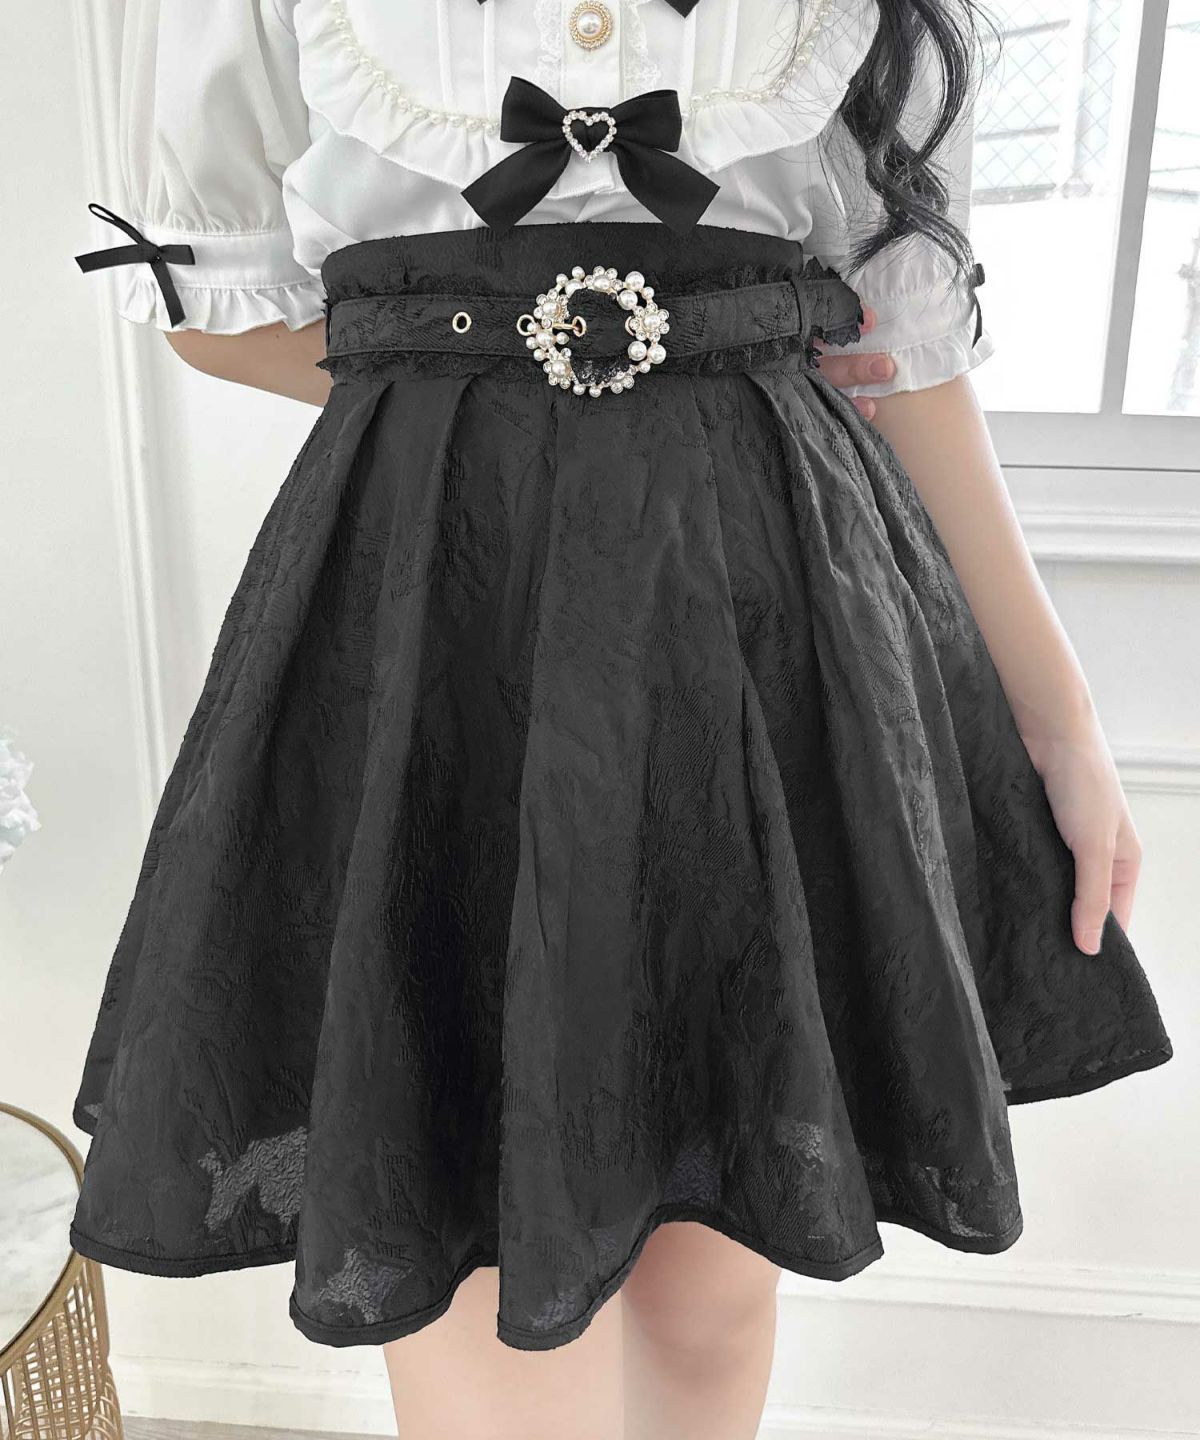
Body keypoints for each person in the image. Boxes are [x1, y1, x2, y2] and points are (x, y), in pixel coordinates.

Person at [68, 2, 1172, 1438]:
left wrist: (1062, 725)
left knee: (712, 1284)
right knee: (475, 1260)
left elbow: (911, 359)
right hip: (451, 598)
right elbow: (216, 308)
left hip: (759, 605)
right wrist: (485, 362)